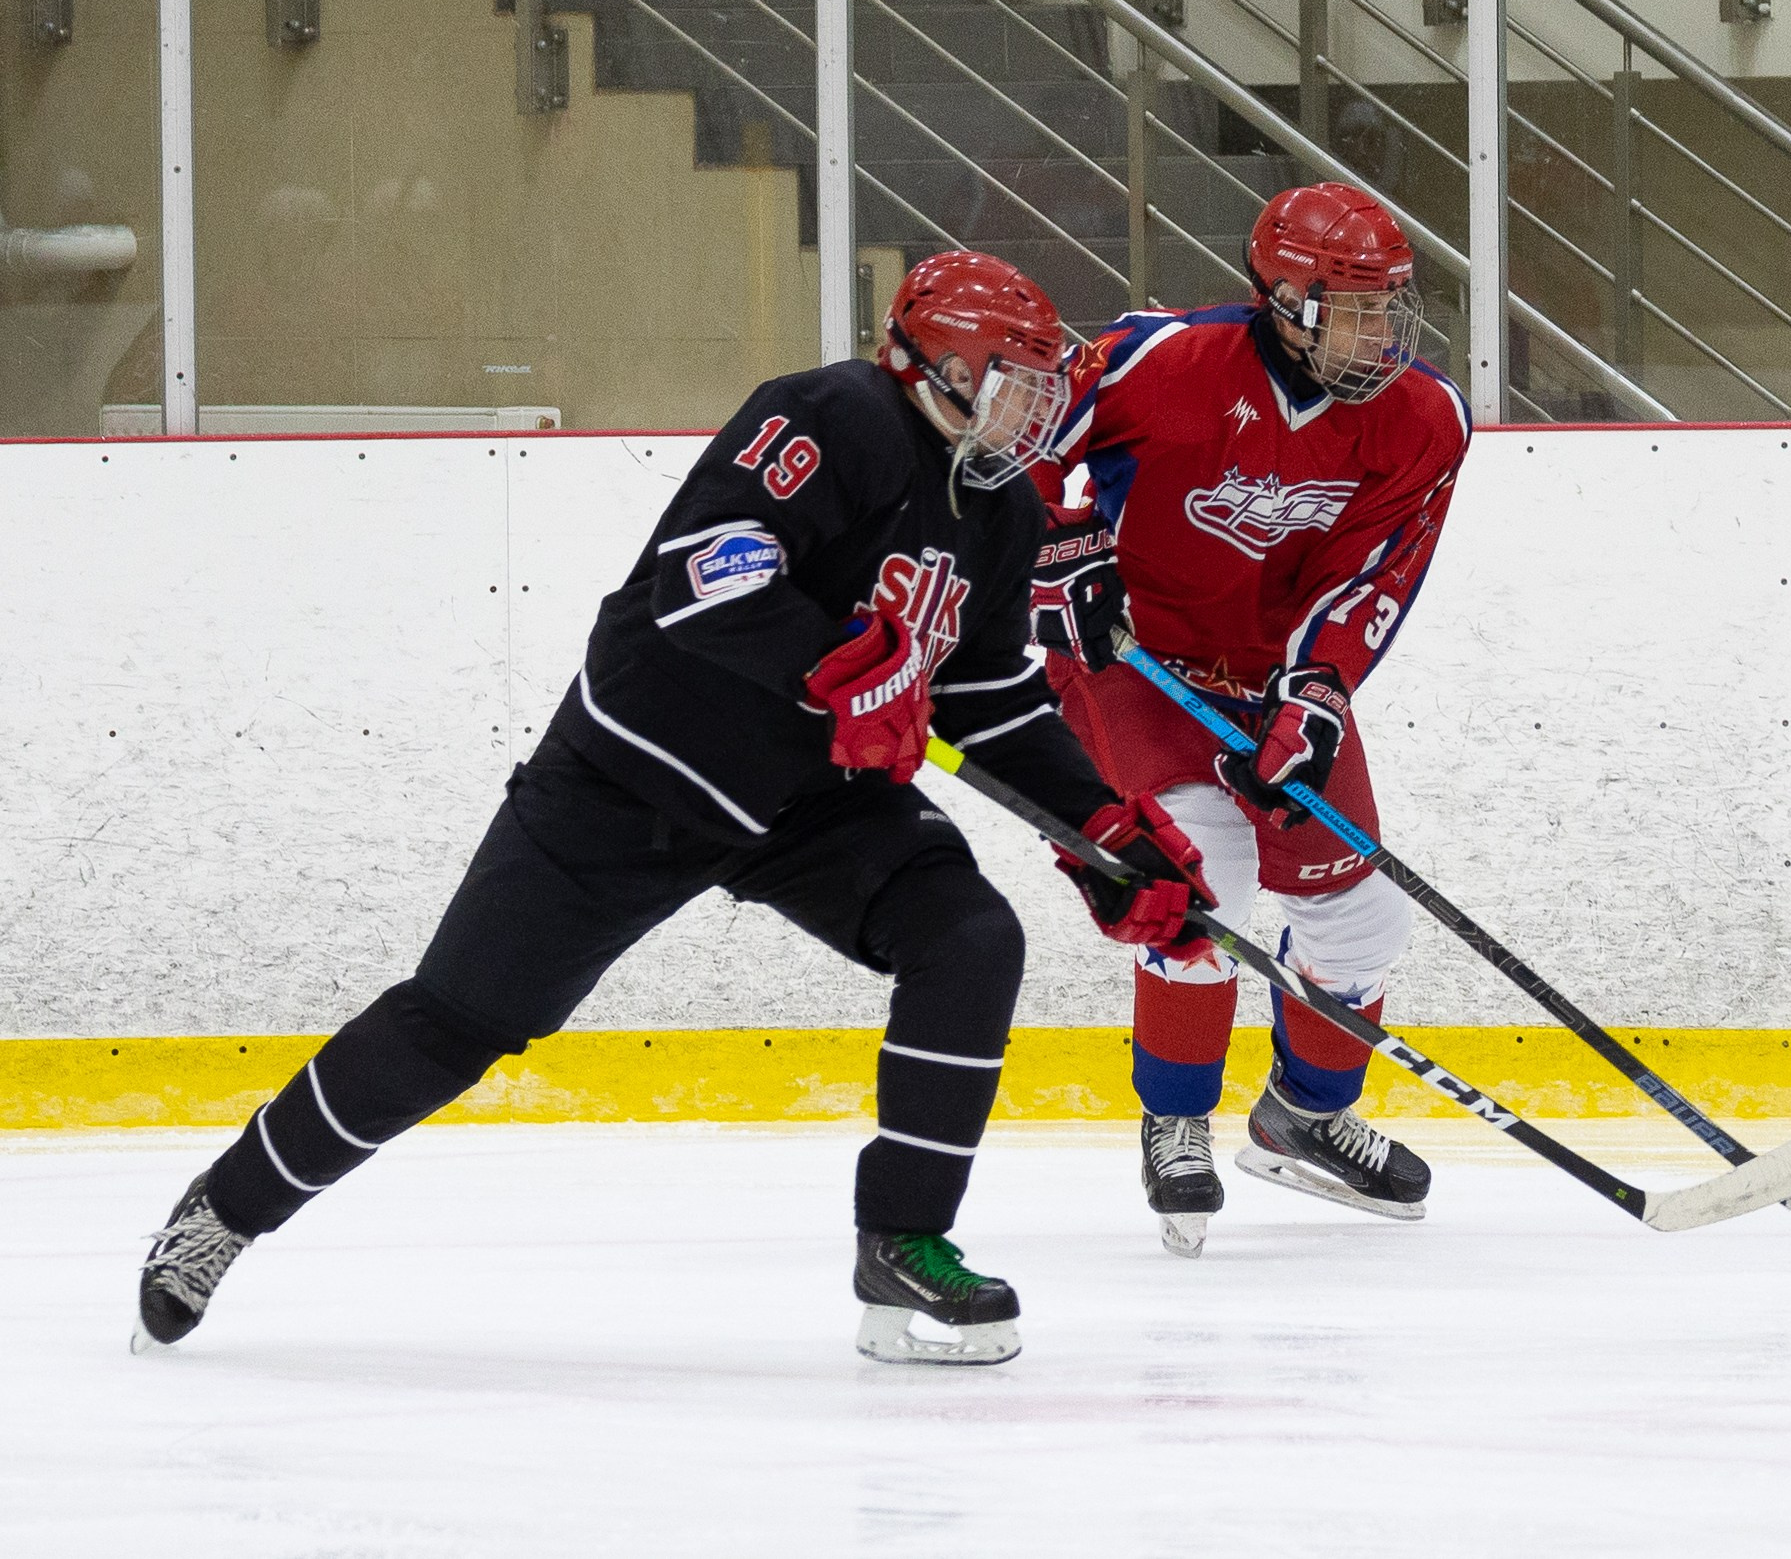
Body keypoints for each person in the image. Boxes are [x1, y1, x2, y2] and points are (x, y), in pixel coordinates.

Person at [133, 252, 1216, 1367]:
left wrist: (1102, 828)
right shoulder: (830, 413)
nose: (1039, 412)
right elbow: (709, 569)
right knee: (454, 1021)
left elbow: (989, 695)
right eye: (1018, 380)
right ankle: (225, 1209)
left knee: (971, 936)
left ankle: (904, 1235)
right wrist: (834, 666)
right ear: (943, 363)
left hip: (815, 799)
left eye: (1047, 386)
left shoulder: (996, 510)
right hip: (638, 775)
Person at [1025, 182, 1471, 1258]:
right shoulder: (1158, 360)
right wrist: (1052, 543)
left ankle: (1303, 1118)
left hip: (1273, 679)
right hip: (1132, 663)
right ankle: (1176, 1113)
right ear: (1281, 297)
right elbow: (1022, 440)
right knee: (1199, 887)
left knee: (1363, 924)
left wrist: (1318, 689)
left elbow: (1377, 573)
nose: (1381, 332)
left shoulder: (1424, 418)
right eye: (1355, 307)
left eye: (1390, 306)